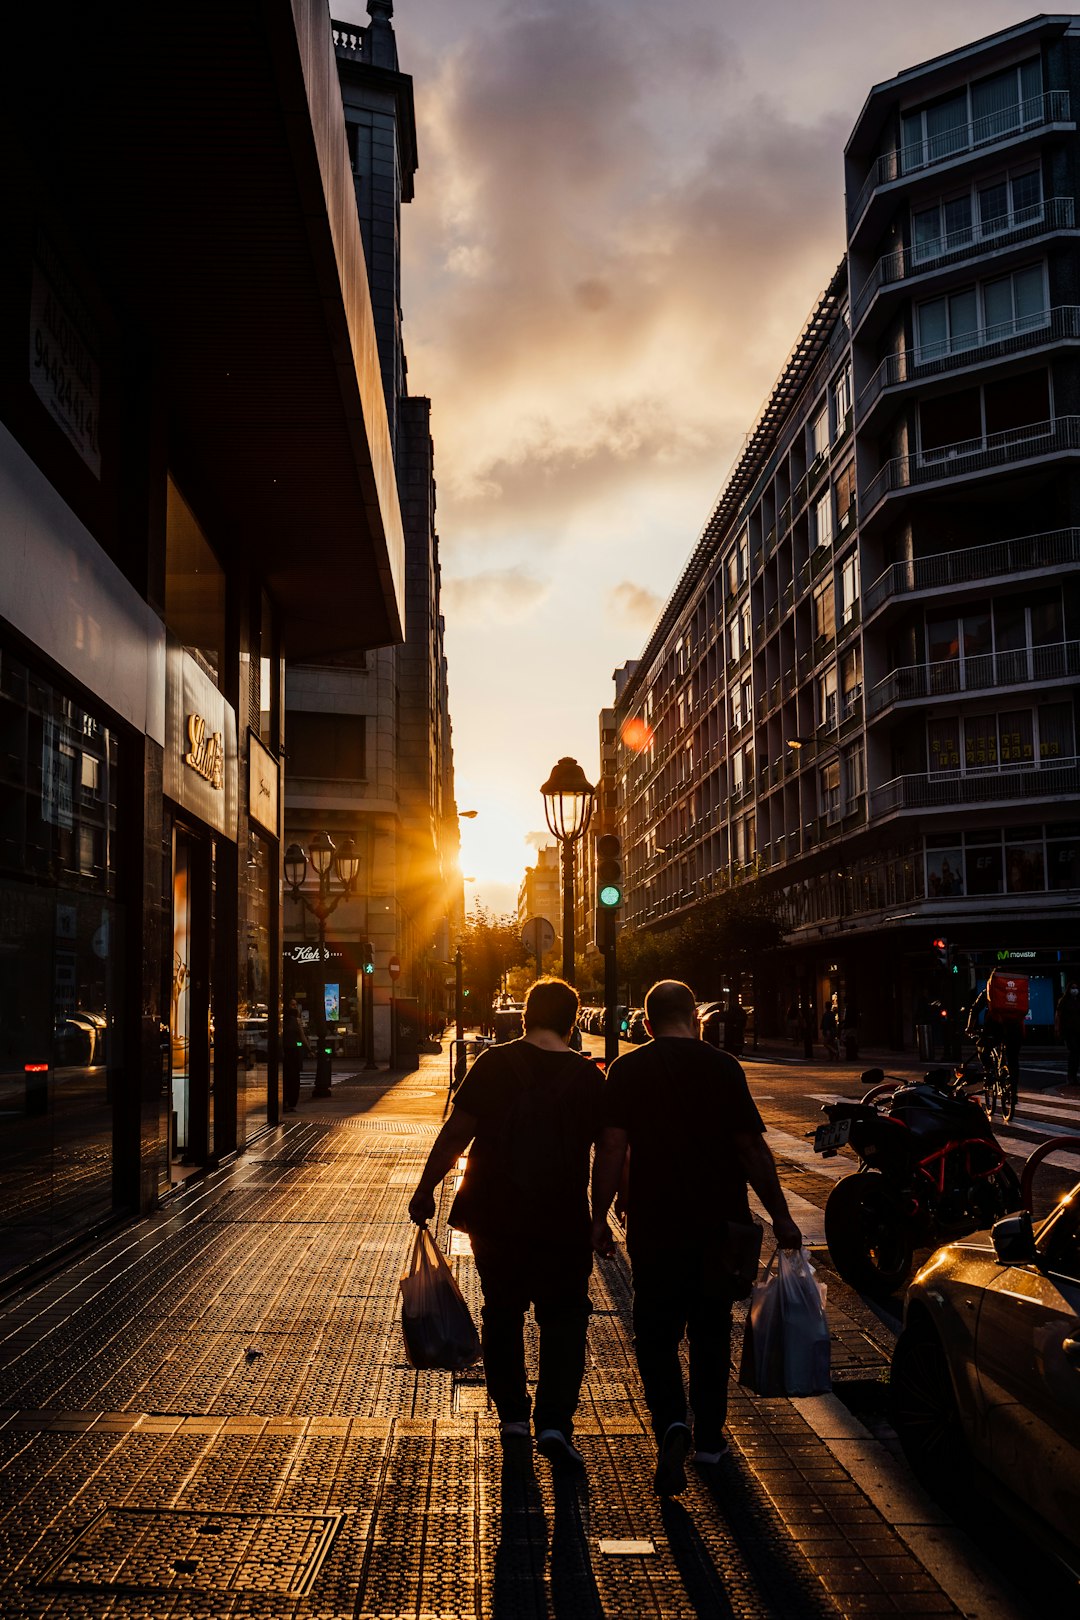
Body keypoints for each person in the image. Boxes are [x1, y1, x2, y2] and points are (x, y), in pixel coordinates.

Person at [590, 979, 801, 1495]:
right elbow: (750, 1148)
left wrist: (598, 1217)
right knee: (711, 1332)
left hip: (655, 1223)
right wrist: (781, 1216)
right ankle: (708, 1439)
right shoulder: (723, 1067)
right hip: (719, 1224)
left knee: (655, 1334)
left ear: (645, 1023)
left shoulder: (628, 1069)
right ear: (695, 1017)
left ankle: (670, 1424)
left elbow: (612, 1146)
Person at [408, 977, 603, 1466]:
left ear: (524, 1017)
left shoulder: (494, 1064)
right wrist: (604, 1214)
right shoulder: (587, 1077)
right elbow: (612, 1147)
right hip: (562, 1218)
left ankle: (513, 1415)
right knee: (565, 1319)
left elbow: (457, 1133)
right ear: (573, 1022)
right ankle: (555, 1421)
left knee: (502, 1311)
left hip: (495, 1214)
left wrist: (425, 1187)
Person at [965, 980, 1024, 1093]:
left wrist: (970, 1027)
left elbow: (975, 1008)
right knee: (1013, 1059)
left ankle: (990, 1073)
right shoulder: (1017, 991)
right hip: (1016, 1028)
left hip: (995, 1029)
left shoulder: (990, 991)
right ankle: (1013, 1091)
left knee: (982, 1047)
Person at [281, 999, 310, 1112]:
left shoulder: (283, 1021)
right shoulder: (296, 1021)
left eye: (295, 1005)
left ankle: (286, 1101)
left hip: (287, 1052)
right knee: (293, 1078)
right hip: (292, 1052)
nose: (295, 1007)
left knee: (287, 1078)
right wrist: (308, 1049)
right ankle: (290, 1101)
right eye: (292, 1005)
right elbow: (302, 1037)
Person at [1054, 979, 1080, 1089]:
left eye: (1076, 988)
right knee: (1074, 1052)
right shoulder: (1064, 1001)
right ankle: (1071, 1076)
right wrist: (1058, 1029)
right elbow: (1058, 1016)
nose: (1075, 990)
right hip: (1069, 1031)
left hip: (1078, 1030)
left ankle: (1073, 1076)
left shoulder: (1078, 1001)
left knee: (1076, 1054)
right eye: (1073, 988)